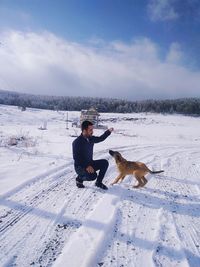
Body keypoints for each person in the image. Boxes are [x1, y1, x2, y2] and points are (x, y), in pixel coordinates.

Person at [72, 120, 114, 190]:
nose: (92, 131)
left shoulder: (91, 138)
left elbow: (101, 138)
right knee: (93, 176)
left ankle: (98, 183)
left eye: (92, 129)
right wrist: (86, 166)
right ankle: (79, 179)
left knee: (104, 163)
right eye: (90, 130)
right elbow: (76, 158)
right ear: (84, 130)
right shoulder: (77, 142)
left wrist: (108, 131)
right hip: (80, 167)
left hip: (89, 163)